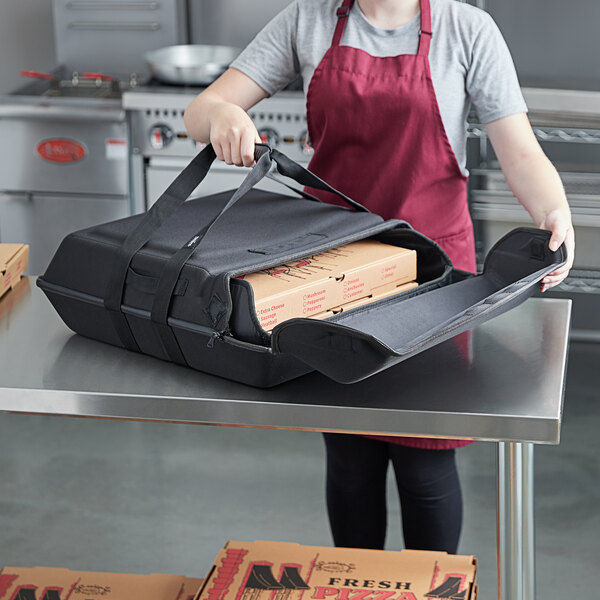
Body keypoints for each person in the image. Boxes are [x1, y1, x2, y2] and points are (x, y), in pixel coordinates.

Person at [184, 0, 575, 554]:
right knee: (348, 454)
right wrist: (222, 115)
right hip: (331, 269)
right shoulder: (308, 20)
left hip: (433, 277)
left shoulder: (467, 29)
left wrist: (553, 210)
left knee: (425, 456)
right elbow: (203, 108)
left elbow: (519, 151)